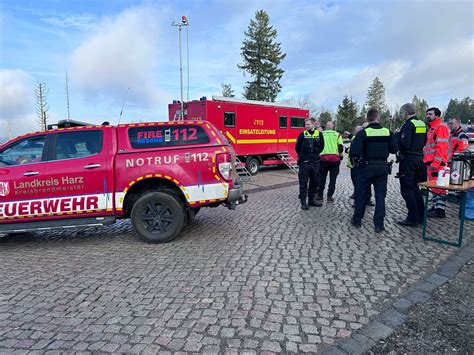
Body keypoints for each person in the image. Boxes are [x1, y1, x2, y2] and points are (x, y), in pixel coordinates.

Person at [350, 108, 397, 233]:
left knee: (361, 194)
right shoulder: (388, 132)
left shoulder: (363, 133)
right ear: (378, 117)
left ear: (367, 118)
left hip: (366, 167)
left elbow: (355, 152)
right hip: (382, 167)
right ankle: (379, 224)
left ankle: (357, 219)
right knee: (380, 196)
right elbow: (393, 149)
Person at [396, 103, 427, 226]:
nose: (401, 115)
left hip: (408, 159)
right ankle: (420, 215)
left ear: (406, 112)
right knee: (415, 188)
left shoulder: (408, 125)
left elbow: (405, 144)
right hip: (419, 158)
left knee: (406, 189)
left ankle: (413, 217)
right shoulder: (422, 124)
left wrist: (397, 138)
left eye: (401, 113)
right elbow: (424, 141)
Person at [423, 107, 450, 218]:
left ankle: (440, 210)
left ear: (437, 116)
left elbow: (441, 147)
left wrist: (435, 163)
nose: (428, 115)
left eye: (430, 114)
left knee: (439, 186)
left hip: (437, 164)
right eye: (427, 114)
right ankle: (436, 206)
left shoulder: (440, 127)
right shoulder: (432, 128)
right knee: (434, 186)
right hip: (431, 162)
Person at [295, 117, 325, 210]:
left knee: (314, 183)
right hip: (304, 163)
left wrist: (314, 155)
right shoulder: (302, 135)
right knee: (303, 183)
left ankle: (311, 201)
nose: (306, 126)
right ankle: (303, 202)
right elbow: (297, 148)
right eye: (305, 124)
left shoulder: (319, 134)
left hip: (315, 163)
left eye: (308, 124)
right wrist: (304, 156)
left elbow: (322, 146)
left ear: (313, 124)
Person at [317, 121, 343, 202]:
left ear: (326, 126)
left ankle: (320, 196)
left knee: (322, 178)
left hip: (323, 159)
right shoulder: (337, 134)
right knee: (333, 179)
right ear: (332, 126)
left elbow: (317, 146)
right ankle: (329, 196)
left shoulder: (321, 134)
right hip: (334, 160)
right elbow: (340, 147)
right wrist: (341, 156)